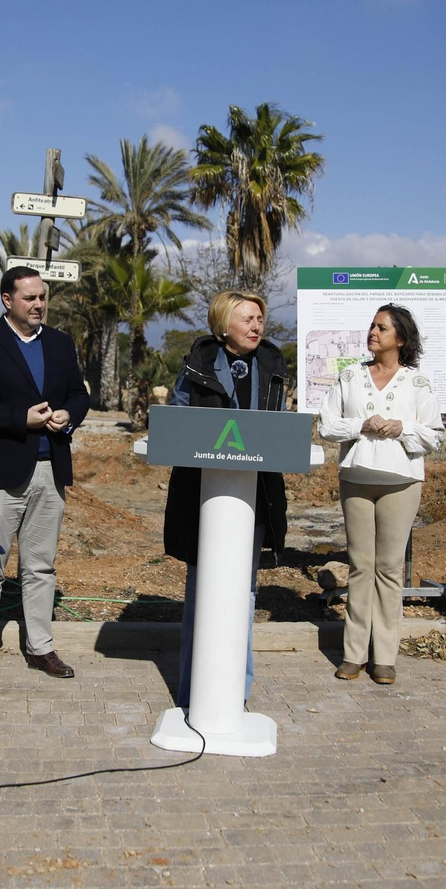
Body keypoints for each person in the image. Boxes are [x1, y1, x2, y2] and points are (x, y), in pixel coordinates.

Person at [0, 266, 92, 687]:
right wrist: (21, 419)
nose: (38, 304)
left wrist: (71, 414)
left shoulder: (60, 342)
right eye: (29, 298)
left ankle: (40, 647)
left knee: (40, 567)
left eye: (42, 297)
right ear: (7, 300)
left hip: (51, 471)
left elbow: (79, 393)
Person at [164, 290, 290, 706]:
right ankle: (191, 690)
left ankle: (237, 690)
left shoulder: (273, 363)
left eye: (259, 319)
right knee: (202, 590)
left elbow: (279, 428)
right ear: (223, 325)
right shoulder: (197, 362)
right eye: (247, 318)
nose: (257, 326)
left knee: (244, 592)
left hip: (254, 497)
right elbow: (178, 422)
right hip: (203, 496)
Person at [318, 305, 442, 684]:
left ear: (400, 338)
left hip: (402, 482)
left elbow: (434, 435)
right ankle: (354, 653)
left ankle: (384, 657)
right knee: (360, 567)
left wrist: (401, 427)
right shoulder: (350, 377)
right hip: (356, 477)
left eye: (382, 328)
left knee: (389, 569)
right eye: (372, 326)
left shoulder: (417, 384)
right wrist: (361, 424)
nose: (373, 332)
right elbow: (326, 425)